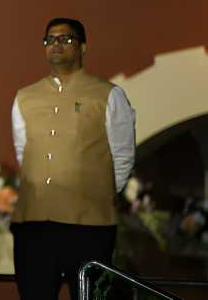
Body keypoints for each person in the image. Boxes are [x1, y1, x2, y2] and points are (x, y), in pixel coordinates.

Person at [10, 18, 136, 300]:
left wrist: (97, 194)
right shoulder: (25, 97)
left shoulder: (108, 94)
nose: (56, 44)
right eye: (50, 39)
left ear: (83, 47)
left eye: (65, 39)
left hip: (88, 226)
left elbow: (123, 154)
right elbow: (23, 152)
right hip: (34, 225)